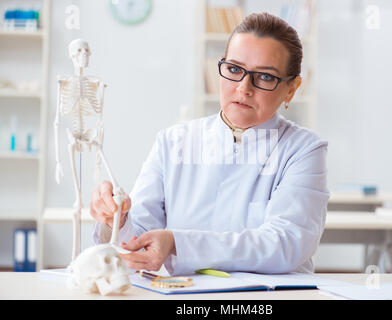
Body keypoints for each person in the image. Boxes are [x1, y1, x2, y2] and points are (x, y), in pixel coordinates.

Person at [90, 12, 329, 275]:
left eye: (265, 77)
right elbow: (139, 240)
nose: (243, 88)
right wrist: (117, 217)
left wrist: (177, 243)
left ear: (291, 89)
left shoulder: (303, 149)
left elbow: (285, 244)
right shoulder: (173, 142)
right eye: (234, 70)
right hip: (188, 297)